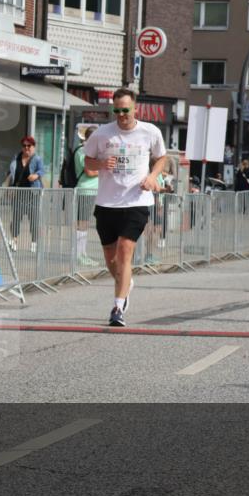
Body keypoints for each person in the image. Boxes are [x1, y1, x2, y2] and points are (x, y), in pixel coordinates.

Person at [84, 88, 167, 327]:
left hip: (136, 201)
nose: (121, 115)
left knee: (124, 251)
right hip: (107, 203)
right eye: (117, 110)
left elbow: (161, 157)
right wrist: (100, 163)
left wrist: (152, 177)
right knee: (111, 259)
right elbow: (88, 160)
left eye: (126, 110)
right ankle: (125, 283)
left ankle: (118, 307)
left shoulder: (149, 132)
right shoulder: (102, 134)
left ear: (135, 109)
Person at [6, 135, 45, 252]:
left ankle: (34, 242)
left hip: (32, 194)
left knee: (33, 219)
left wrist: (36, 175)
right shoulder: (16, 158)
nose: (27, 148)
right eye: (24, 146)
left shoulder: (37, 159)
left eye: (29, 146)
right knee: (16, 218)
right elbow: (10, 174)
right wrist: (9, 188)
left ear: (34, 147)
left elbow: (42, 170)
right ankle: (14, 240)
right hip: (18, 194)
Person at [74, 126, 99, 266]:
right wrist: (103, 170)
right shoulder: (83, 150)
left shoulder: (89, 151)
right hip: (85, 190)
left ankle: (82, 253)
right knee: (81, 224)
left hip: (91, 191)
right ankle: (79, 254)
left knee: (84, 223)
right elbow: (89, 172)